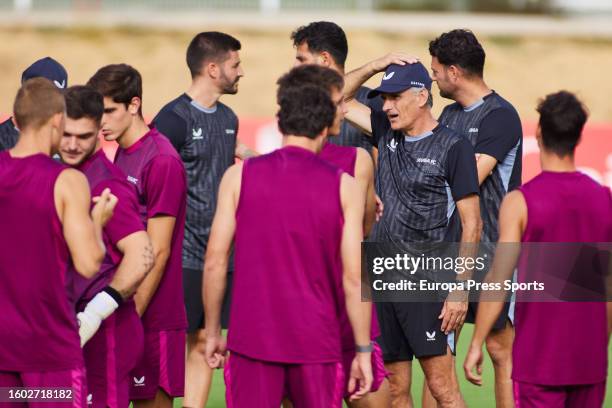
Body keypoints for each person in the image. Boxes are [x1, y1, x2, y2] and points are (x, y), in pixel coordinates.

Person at [203, 65, 373, 407]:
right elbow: (354, 278)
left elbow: (215, 261)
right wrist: (362, 349)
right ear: (329, 125)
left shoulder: (239, 177)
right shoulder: (345, 186)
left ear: (280, 121)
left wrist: (211, 332)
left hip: (251, 340)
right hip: (317, 343)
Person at [344, 57, 482, 407]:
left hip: (425, 285)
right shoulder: (383, 128)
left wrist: (459, 292)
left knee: (442, 388)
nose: (386, 106)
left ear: (421, 97)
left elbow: (473, 224)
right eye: (383, 98)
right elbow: (337, 99)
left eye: (394, 96)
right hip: (381, 279)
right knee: (394, 390)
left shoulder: (454, 147)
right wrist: (375, 66)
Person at [464, 91, 612, 408]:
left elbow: (499, 278)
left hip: (539, 362)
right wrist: (601, 345)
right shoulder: (604, 198)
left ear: (540, 132)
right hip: (590, 361)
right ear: (579, 135)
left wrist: (477, 341)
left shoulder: (521, 201)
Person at [152, 31, 255, 407]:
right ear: (213, 69)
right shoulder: (172, 118)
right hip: (181, 257)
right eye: (235, 64)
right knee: (172, 345)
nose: (241, 72)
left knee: (205, 343)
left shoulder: (228, 118)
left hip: (222, 257)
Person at [0, 78, 115, 406]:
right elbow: (89, 262)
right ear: (55, 120)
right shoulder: (67, 181)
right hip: (48, 350)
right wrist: (98, 222)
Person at [282, 64, 390, 408]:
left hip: (304, 304)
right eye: (339, 102)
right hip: (342, 301)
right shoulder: (355, 161)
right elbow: (362, 232)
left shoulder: (276, 165)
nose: (344, 108)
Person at [429, 29, 522, 407]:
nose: (432, 78)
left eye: (436, 71)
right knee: (438, 355)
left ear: (454, 71)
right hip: (452, 250)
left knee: (501, 351)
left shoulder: (500, 116)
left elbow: (466, 176)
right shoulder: (449, 114)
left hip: (492, 253)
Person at [88, 64, 188, 408]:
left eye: (109, 111)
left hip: (153, 319)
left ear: (134, 105)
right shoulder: (121, 154)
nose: (100, 122)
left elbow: (158, 252)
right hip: (122, 310)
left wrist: (126, 319)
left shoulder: (161, 160)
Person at [59, 85, 154, 408]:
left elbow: (143, 254)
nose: (72, 145)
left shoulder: (106, 184)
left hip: (105, 334)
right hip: (63, 327)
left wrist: (96, 313)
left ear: (99, 130)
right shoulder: (60, 175)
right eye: (66, 134)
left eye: (83, 136)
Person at [291, 21, 382, 156]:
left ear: (324, 59)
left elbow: (383, 169)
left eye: (301, 59)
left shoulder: (371, 102)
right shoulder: (301, 105)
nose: (295, 66)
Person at [0, 56, 68, 151]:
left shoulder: (67, 143)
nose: (49, 104)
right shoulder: (2, 139)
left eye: (55, 98)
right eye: (40, 96)